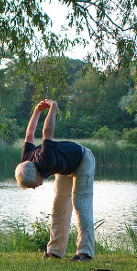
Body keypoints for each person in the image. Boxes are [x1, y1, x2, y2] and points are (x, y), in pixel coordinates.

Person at [15, 99, 95, 261]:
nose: (35, 188)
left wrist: (53, 107)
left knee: (80, 203)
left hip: (83, 160)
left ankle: (85, 253)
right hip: (65, 168)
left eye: (33, 185)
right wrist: (37, 111)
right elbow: (29, 134)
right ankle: (55, 251)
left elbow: (47, 132)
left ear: (36, 173)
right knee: (58, 206)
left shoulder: (45, 159)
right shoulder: (26, 159)